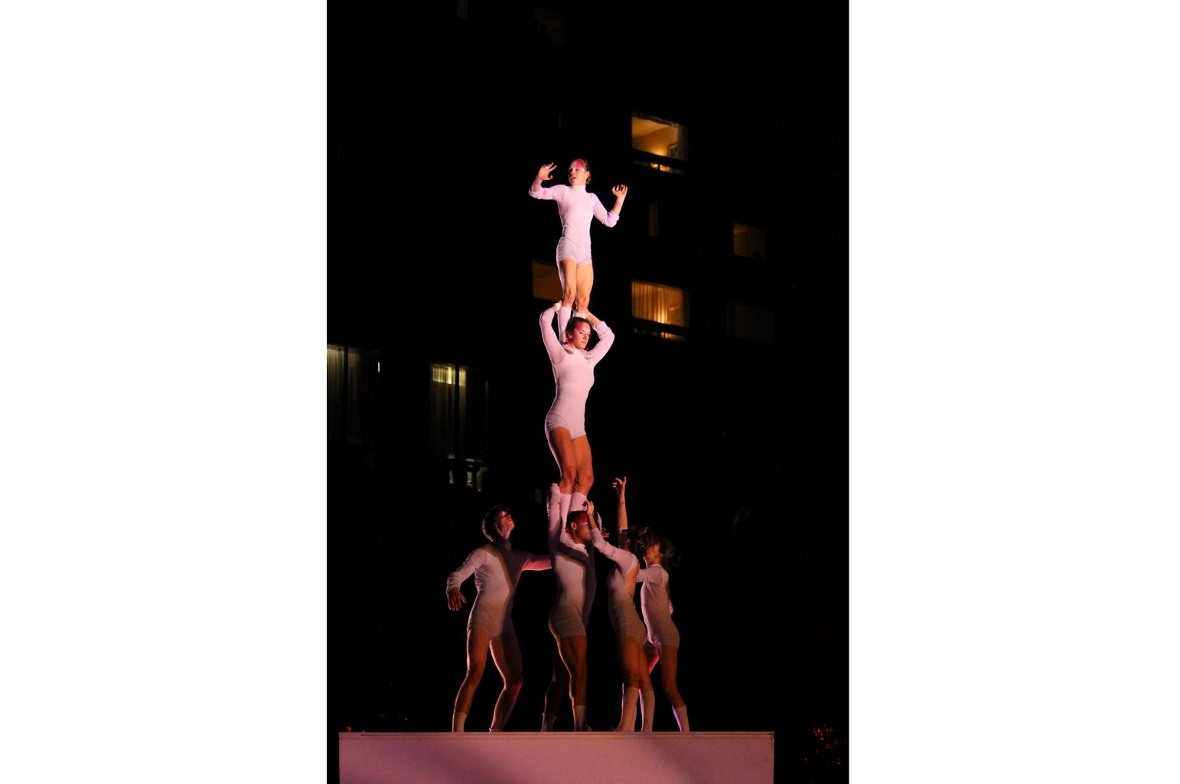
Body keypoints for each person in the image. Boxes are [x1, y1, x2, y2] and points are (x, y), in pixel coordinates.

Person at [446, 504, 551, 732]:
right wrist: (453, 588)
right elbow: (457, 574)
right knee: (475, 672)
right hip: (483, 617)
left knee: (515, 680)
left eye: (509, 512)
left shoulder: (520, 557)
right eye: (504, 515)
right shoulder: (484, 552)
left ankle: (496, 731)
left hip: (505, 625)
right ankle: (457, 730)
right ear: (495, 524)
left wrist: (583, 544)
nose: (509, 515)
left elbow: (553, 560)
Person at [529, 158, 628, 335]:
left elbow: (610, 221)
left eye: (577, 169)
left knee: (583, 301)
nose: (572, 172)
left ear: (587, 174)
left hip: (585, 252)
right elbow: (536, 193)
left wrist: (620, 199)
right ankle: (563, 339)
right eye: (570, 170)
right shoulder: (563, 191)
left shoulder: (591, 198)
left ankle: (576, 340)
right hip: (568, 245)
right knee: (570, 294)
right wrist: (539, 178)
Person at [587, 479, 656, 732]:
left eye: (624, 536)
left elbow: (599, 544)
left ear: (628, 543)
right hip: (632, 621)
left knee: (630, 676)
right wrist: (622, 497)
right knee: (641, 678)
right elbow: (621, 527)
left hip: (628, 622)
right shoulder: (631, 559)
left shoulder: (625, 558)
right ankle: (646, 729)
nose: (621, 534)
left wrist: (591, 516)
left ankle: (626, 727)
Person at [539, 301, 615, 525]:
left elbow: (609, 337)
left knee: (587, 479)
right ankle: (558, 529)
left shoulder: (589, 359)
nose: (586, 336)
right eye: (581, 332)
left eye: (588, 334)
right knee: (569, 473)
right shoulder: (560, 354)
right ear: (569, 333)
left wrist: (588, 314)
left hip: (577, 426)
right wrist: (556, 306)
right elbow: (544, 320)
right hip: (559, 419)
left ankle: (573, 525)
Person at [628, 492, 690, 732]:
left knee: (668, 686)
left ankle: (686, 733)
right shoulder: (659, 576)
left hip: (665, 636)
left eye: (653, 546)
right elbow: (666, 602)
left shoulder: (656, 572)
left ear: (660, 555)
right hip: (653, 638)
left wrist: (625, 553)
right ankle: (643, 729)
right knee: (638, 676)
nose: (649, 547)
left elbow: (633, 576)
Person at [540, 484, 596, 731]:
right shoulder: (561, 547)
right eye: (585, 523)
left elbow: (592, 522)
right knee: (580, 670)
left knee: (560, 677)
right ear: (573, 527)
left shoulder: (590, 549)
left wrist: (583, 501)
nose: (589, 526)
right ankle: (580, 727)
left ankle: (545, 727)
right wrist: (557, 491)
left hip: (574, 618)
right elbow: (555, 519)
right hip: (566, 615)